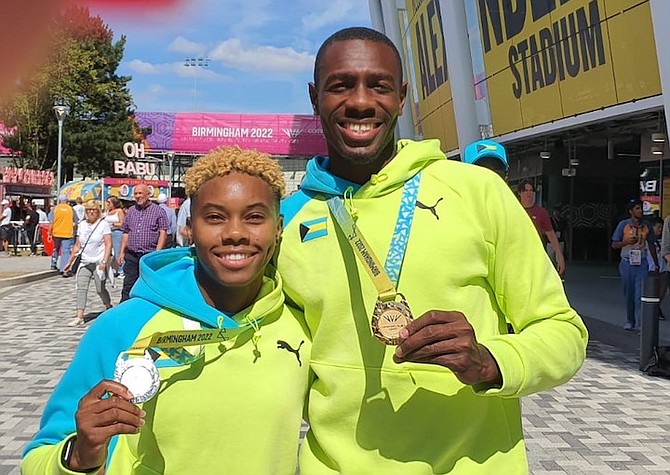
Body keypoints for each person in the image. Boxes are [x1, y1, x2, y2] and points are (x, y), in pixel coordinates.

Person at [277, 27, 588, 474]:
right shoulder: (286, 221)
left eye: (379, 86)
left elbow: (564, 333)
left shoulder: (477, 192)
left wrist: (491, 361)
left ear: (401, 97)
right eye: (340, 85)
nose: (361, 102)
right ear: (314, 97)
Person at [21, 146, 310, 474]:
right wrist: (79, 456)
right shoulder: (123, 326)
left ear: (279, 227)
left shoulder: (301, 325)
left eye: (255, 217)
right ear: (188, 228)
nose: (234, 233)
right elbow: (38, 458)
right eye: (214, 217)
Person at [61, 200, 113, 326]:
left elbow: (108, 243)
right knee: (81, 288)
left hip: (99, 261)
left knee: (100, 289)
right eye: (89, 210)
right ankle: (79, 316)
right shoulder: (82, 225)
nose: (91, 212)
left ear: (98, 211)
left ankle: (108, 306)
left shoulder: (103, 224)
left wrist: (104, 261)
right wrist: (70, 262)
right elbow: (77, 245)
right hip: (85, 261)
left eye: (94, 210)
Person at [612, 199, 658, 331]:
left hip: (641, 262)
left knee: (640, 294)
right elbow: (614, 244)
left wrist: (655, 264)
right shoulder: (623, 225)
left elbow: (652, 244)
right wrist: (625, 242)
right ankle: (630, 320)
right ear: (631, 211)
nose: (640, 211)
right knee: (629, 293)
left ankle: (640, 323)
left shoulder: (646, 225)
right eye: (637, 208)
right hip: (627, 262)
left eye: (641, 208)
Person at [117, 184, 169, 302]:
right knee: (128, 283)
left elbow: (163, 232)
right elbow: (126, 232)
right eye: (136, 194)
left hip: (148, 254)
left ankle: (147, 306)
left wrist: (158, 251)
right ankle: (125, 307)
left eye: (140, 193)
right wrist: (121, 252)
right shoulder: (131, 211)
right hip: (132, 254)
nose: (138, 196)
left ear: (148, 194)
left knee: (148, 283)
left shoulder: (158, 211)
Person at [517, 180, 566, 275]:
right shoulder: (513, 209)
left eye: (531, 191)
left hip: (535, 255)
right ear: (520, 193)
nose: (529, 193)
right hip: (517, 254)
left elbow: (551, 234)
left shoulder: (541, 213)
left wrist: (559, 256)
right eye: (525, 191)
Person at [48, 195, 76, 273]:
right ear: (66, 201)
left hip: (56, 233)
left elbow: (51, 222)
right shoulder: (71, 209)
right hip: (67, 233)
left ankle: (53, 264)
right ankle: (64, 269)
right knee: (66, 251)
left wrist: (49, 232)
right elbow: (76, 221)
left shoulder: (55, 209)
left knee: (55, 249)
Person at [648, 217, 667, 320]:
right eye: (658, 227)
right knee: (652, 291)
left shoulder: (664, 240)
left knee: (662, 291)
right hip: (651, 269)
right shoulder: (648, 241)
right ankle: (652, 309)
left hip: (663, 269)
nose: (660, 230)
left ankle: (656, 307)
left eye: (662, 227)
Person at [104, 196, 126, 277]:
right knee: (108, 252)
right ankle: (109, 269)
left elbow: (123, 223)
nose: (108, 204)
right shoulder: (107, 211)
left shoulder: (119, 211)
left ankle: (121, 270)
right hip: (108, 233)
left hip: (117, 233)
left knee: (118, 252)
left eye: (109, 202)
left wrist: (113, 224)